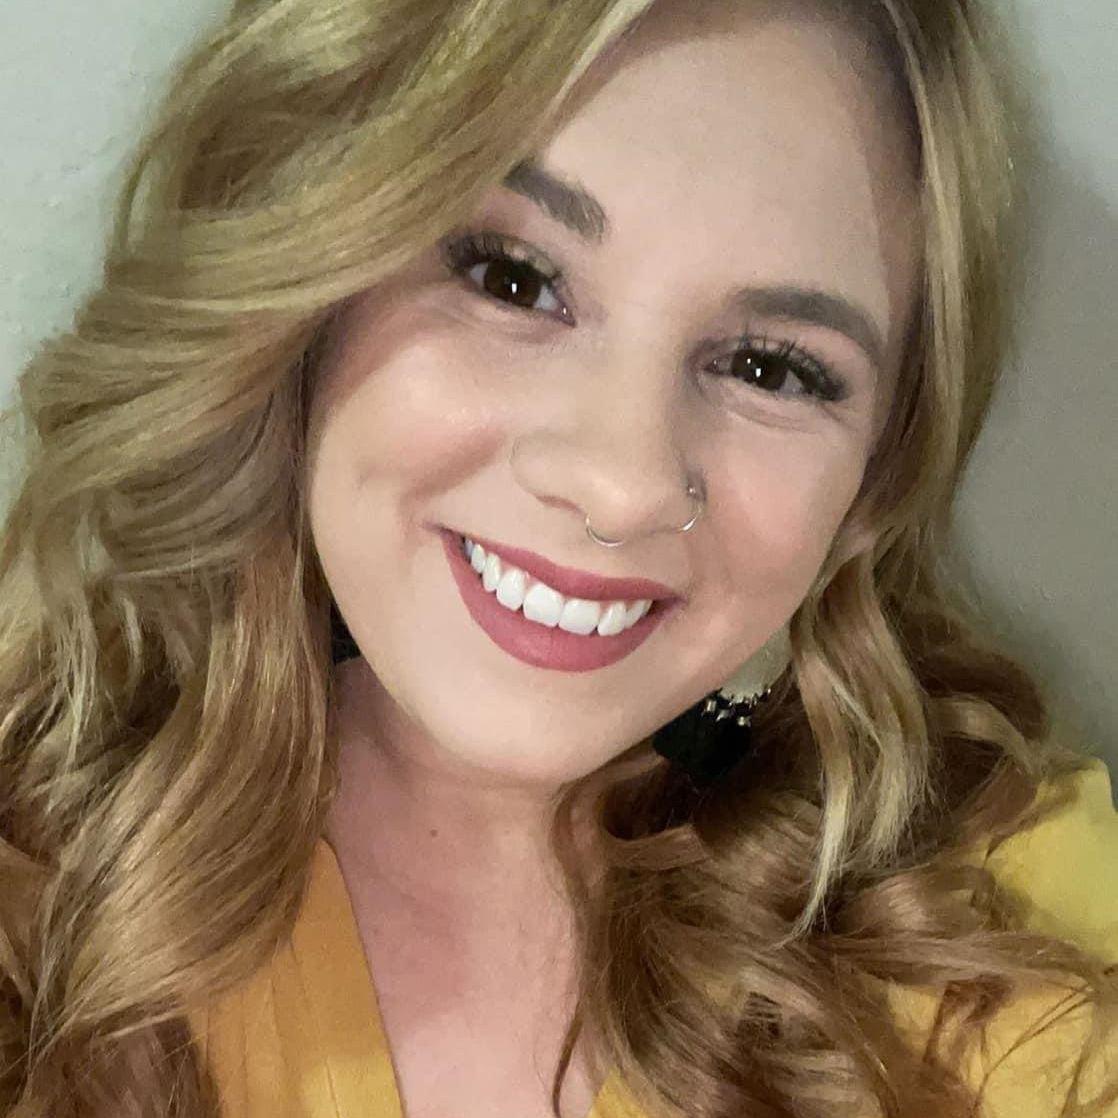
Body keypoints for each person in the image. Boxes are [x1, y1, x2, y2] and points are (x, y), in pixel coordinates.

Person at [0, 0, 1115, 1115]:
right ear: (304, 287)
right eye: (512, 279)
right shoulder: (35, 852)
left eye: (771, 368)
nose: (622, 483)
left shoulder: (995, 918)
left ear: (874, 470)